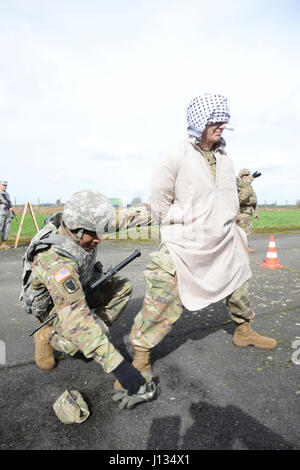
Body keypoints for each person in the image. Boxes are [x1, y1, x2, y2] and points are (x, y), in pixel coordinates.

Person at [123, 93, 277, 383]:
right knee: (163, 296)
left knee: (239, 280)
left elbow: (228, 196)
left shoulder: (226, 159)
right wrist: (180, 229)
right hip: (184, 242)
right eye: (215, 120)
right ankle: (141, 355)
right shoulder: (175, 157)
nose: (221, 125)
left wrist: (231, 228)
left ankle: (243, 331)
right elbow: (158, 202)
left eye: (223, 120)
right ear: (198, 122)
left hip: (223, 238)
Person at [20, 190, 155, 408]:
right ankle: (46, 334)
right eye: (93, 235)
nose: (99, 238)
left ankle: (92, 339)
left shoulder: (85, 224)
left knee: (122, 287)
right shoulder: (55, 262)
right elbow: (76, 319)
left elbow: (131, 217)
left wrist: (170, 212)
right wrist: (121, 368)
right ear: (76, 231)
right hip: (54, 307)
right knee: (88, 331)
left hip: (80, 289)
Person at [236, 169, 260, 253]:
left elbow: (254, 200)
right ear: (241, 176)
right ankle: (238, 248)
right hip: (241, 211)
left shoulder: (249, 187)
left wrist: (256, 212)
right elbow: (240, 199)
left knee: (248, 231)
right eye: (245, 175)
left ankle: (245, 247)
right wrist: (252, 177)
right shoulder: (238, 184)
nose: (247, 176)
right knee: (240, 231)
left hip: (249, 211)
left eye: (248, 175)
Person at [0, 180, 14, 250]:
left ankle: (3, 244)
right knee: (0, 227)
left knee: (6, 228)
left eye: (6, 185)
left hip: (7, 213)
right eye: (3, 185)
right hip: (1, 213)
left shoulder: (7, 194)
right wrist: (2, 201)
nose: (5, 186)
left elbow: (9, 202)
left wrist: (11, 207)